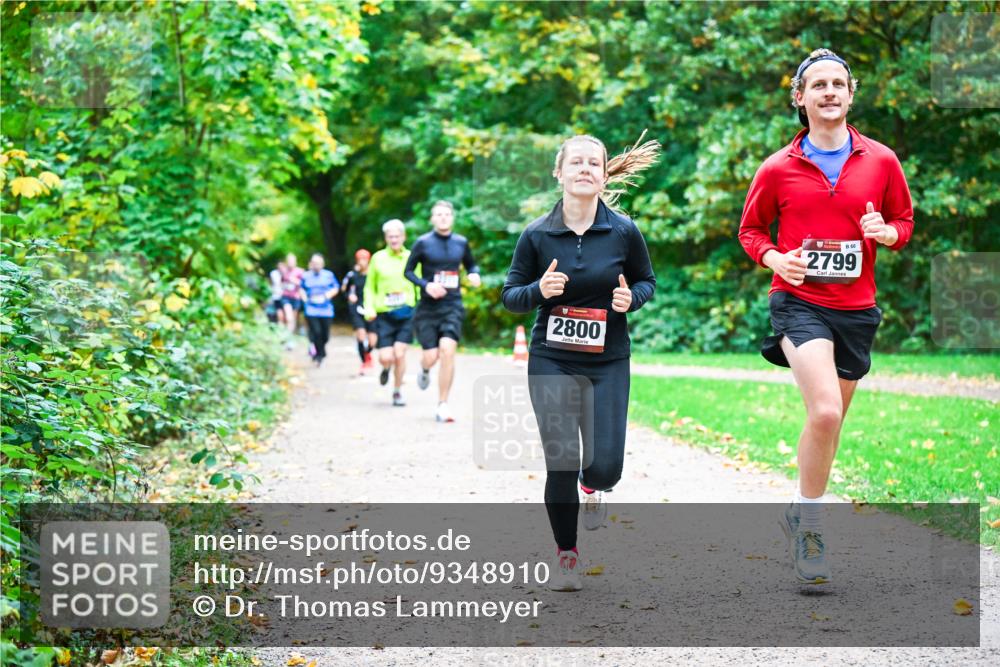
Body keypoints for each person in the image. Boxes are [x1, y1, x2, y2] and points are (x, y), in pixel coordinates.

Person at [738, 49, 914, 585]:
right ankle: (811, 527)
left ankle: (798, 508)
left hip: (856, 309)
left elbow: (903, 220)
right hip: (798, 302)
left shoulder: (881, 160)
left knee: (832, 423)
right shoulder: (777, 168)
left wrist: (888, 234)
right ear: (801, 97)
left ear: (851, 93)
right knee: (824, 412)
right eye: (819, 85)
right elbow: (751, 232)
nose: (830, 92)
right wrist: (775, 258)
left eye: (839, 83)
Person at [501, 132, 659, 592]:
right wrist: (538, 292)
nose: (586, 168)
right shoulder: (536, 234)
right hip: (552, 358)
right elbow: (511, 296)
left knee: (604, 468)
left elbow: (648, 281)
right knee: (562, 458)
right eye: (577, 162)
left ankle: (595, 488)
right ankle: (566, 553)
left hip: (608, 360)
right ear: (560, 173)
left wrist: (632, 300)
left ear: (605, 173)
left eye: (594, 162)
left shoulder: (624, 231)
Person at [404, 200, 481, 422]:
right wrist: (426, 285)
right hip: (428, 307)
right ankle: (424, 369)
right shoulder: (423, 243)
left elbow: (471, 265)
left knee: (448, 350)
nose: (443, 217)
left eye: (447, 214)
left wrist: (474, 274)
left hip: (452, 305)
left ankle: (443, 404)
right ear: (432, 219)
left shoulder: (461, 242)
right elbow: (408, 272)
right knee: (431, 356)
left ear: (452, 217)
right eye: (439, 214)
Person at [364, 219, 418, 407]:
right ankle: (386, 368)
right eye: (390, 236)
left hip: (407, 312)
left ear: (403, 237)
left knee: (400, 353)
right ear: (386, 238)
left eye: (397, 236)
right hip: (384, 314)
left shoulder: (412, 257)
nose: (394, 239)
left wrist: (420, 308)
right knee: (385, 356)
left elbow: (419, 282)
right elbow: (369, 286)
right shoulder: (378, 258)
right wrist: (369, 308)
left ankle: (397, 392)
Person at [299, 253, 340, 366]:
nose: (316, 265)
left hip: (326, 310)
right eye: (314, 263)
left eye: (318, 263)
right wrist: (305, 298)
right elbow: (301, 288)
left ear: (322, 264)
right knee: (316, 332)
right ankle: (319, 355)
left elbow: (336, 287)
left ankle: (320, 350)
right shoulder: (306, 276)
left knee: (325, 335)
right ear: (311, 264)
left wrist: (328, 295)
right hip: (311, 309)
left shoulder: (329, 275)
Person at [343, 249, 377, 375]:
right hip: (357, 309)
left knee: (373, 340)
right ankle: (363, 362)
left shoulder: (374, 274)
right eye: (360, 259)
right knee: (361, 336)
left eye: (365, 259)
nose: (362, 262)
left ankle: (368, 354)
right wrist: (349, 296)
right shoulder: (352, 275)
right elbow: (344, 289)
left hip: (371, 308)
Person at [279, 253, 305, 350]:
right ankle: (286, 338)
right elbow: (282, 283)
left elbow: (303, 284)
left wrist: (294, 281)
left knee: (293, 319)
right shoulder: (284, 272)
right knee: (289, 318)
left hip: (296, 298)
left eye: (292, 261)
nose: (291, 263)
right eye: (289, 261)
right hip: (286, 297)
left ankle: (290, 339)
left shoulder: (300, 271)